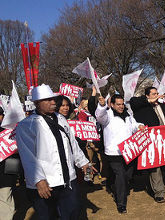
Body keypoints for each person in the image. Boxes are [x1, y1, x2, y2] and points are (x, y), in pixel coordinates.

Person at [16, 84, 92, 219]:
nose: (53, 103)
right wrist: (39, 180)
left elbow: (71, 143)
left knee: (72, 213)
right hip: (47, 183)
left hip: (68, 180)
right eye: (48, 100)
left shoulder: (61, 119)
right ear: (37, 103)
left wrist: (83, 162)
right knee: (47, 216)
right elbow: (28, 157)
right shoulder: (26, 125)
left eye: (53, 99)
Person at [95, 94, 144, 213]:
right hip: (113, 152)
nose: (121, 106)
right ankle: (121, 203)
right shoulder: (107, 115)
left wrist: (139, 126)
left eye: (122, 104)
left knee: (127, 175)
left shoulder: (128, 114)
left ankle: (112, 183)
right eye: (118, 104)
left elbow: (133, 125)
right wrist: (101, 106)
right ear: (112, 105)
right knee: (121, 175)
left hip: (128, 151)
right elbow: (99, 116)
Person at [129, 87, 165, 203]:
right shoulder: (141, 106)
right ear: (147, 96)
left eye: (157, 93)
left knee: (163, 165)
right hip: (150, 141)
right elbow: (133, 102)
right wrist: (149, 101)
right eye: (153, 94)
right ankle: (159, 193)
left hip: (164, 140)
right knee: (155, 166)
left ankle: (154, 185)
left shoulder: (162, 106)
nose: (157, 96)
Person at [0, 108, 19, 220]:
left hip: (5, 175)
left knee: (5, 200)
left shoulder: (10, 132)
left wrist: (15, 149)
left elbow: (16, 152)